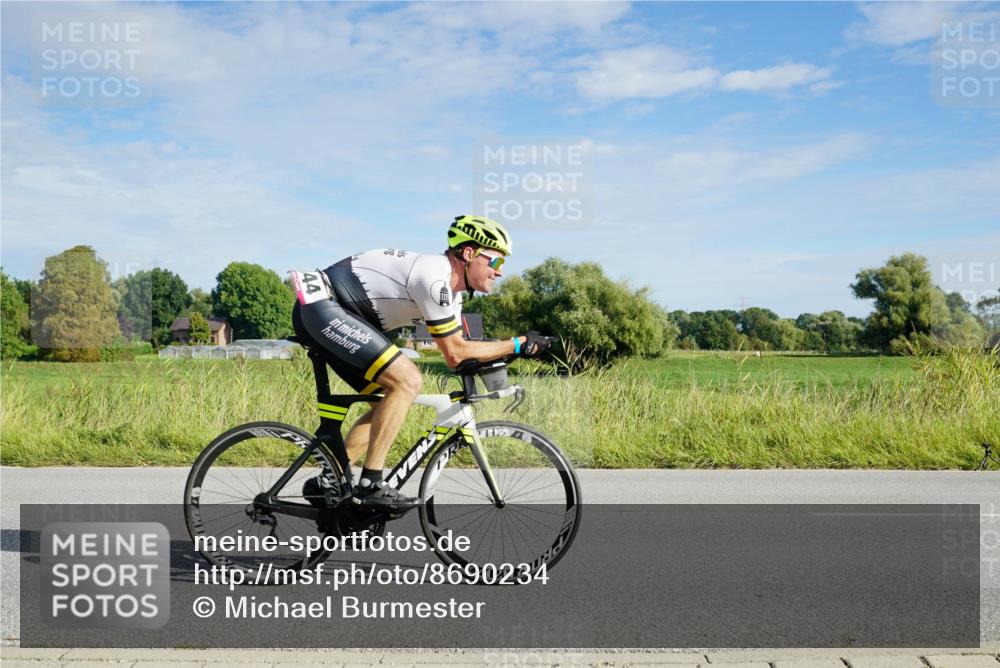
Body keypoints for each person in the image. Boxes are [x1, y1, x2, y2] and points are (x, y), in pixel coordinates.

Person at [291, 215, 551, 511]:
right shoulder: (433, 277)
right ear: (469, 254)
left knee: (384, 402)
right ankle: (370, 485)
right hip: (322, 306)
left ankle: (330, 485)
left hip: (347, 314)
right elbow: (455, 352)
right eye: (495, 263)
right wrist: (516, 343)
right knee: (408, 381)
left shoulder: (453, 296)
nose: (499, 273)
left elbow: (458, 357)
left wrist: (509, 352)